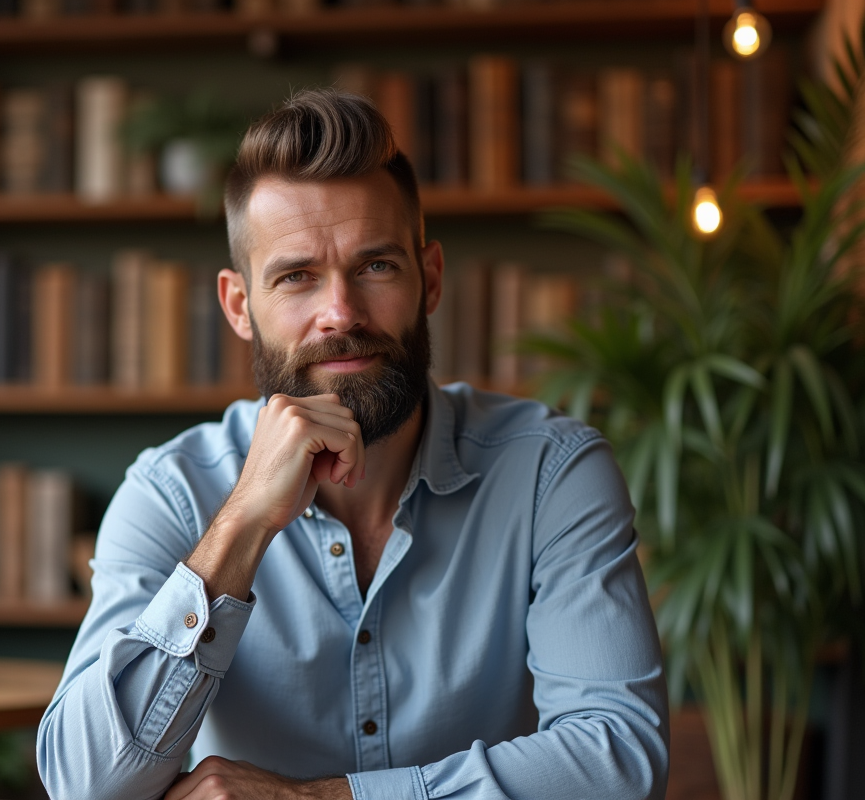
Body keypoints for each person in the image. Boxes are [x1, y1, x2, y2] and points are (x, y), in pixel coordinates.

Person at [37, 88, 669, 800]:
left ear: (428, 279)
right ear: (240, 306)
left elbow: (617, 761)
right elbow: (86, 786)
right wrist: (242, 524)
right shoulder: (172, 492)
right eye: (296, 276)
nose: (340, 313)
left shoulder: (551, 472)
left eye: (375, 267)